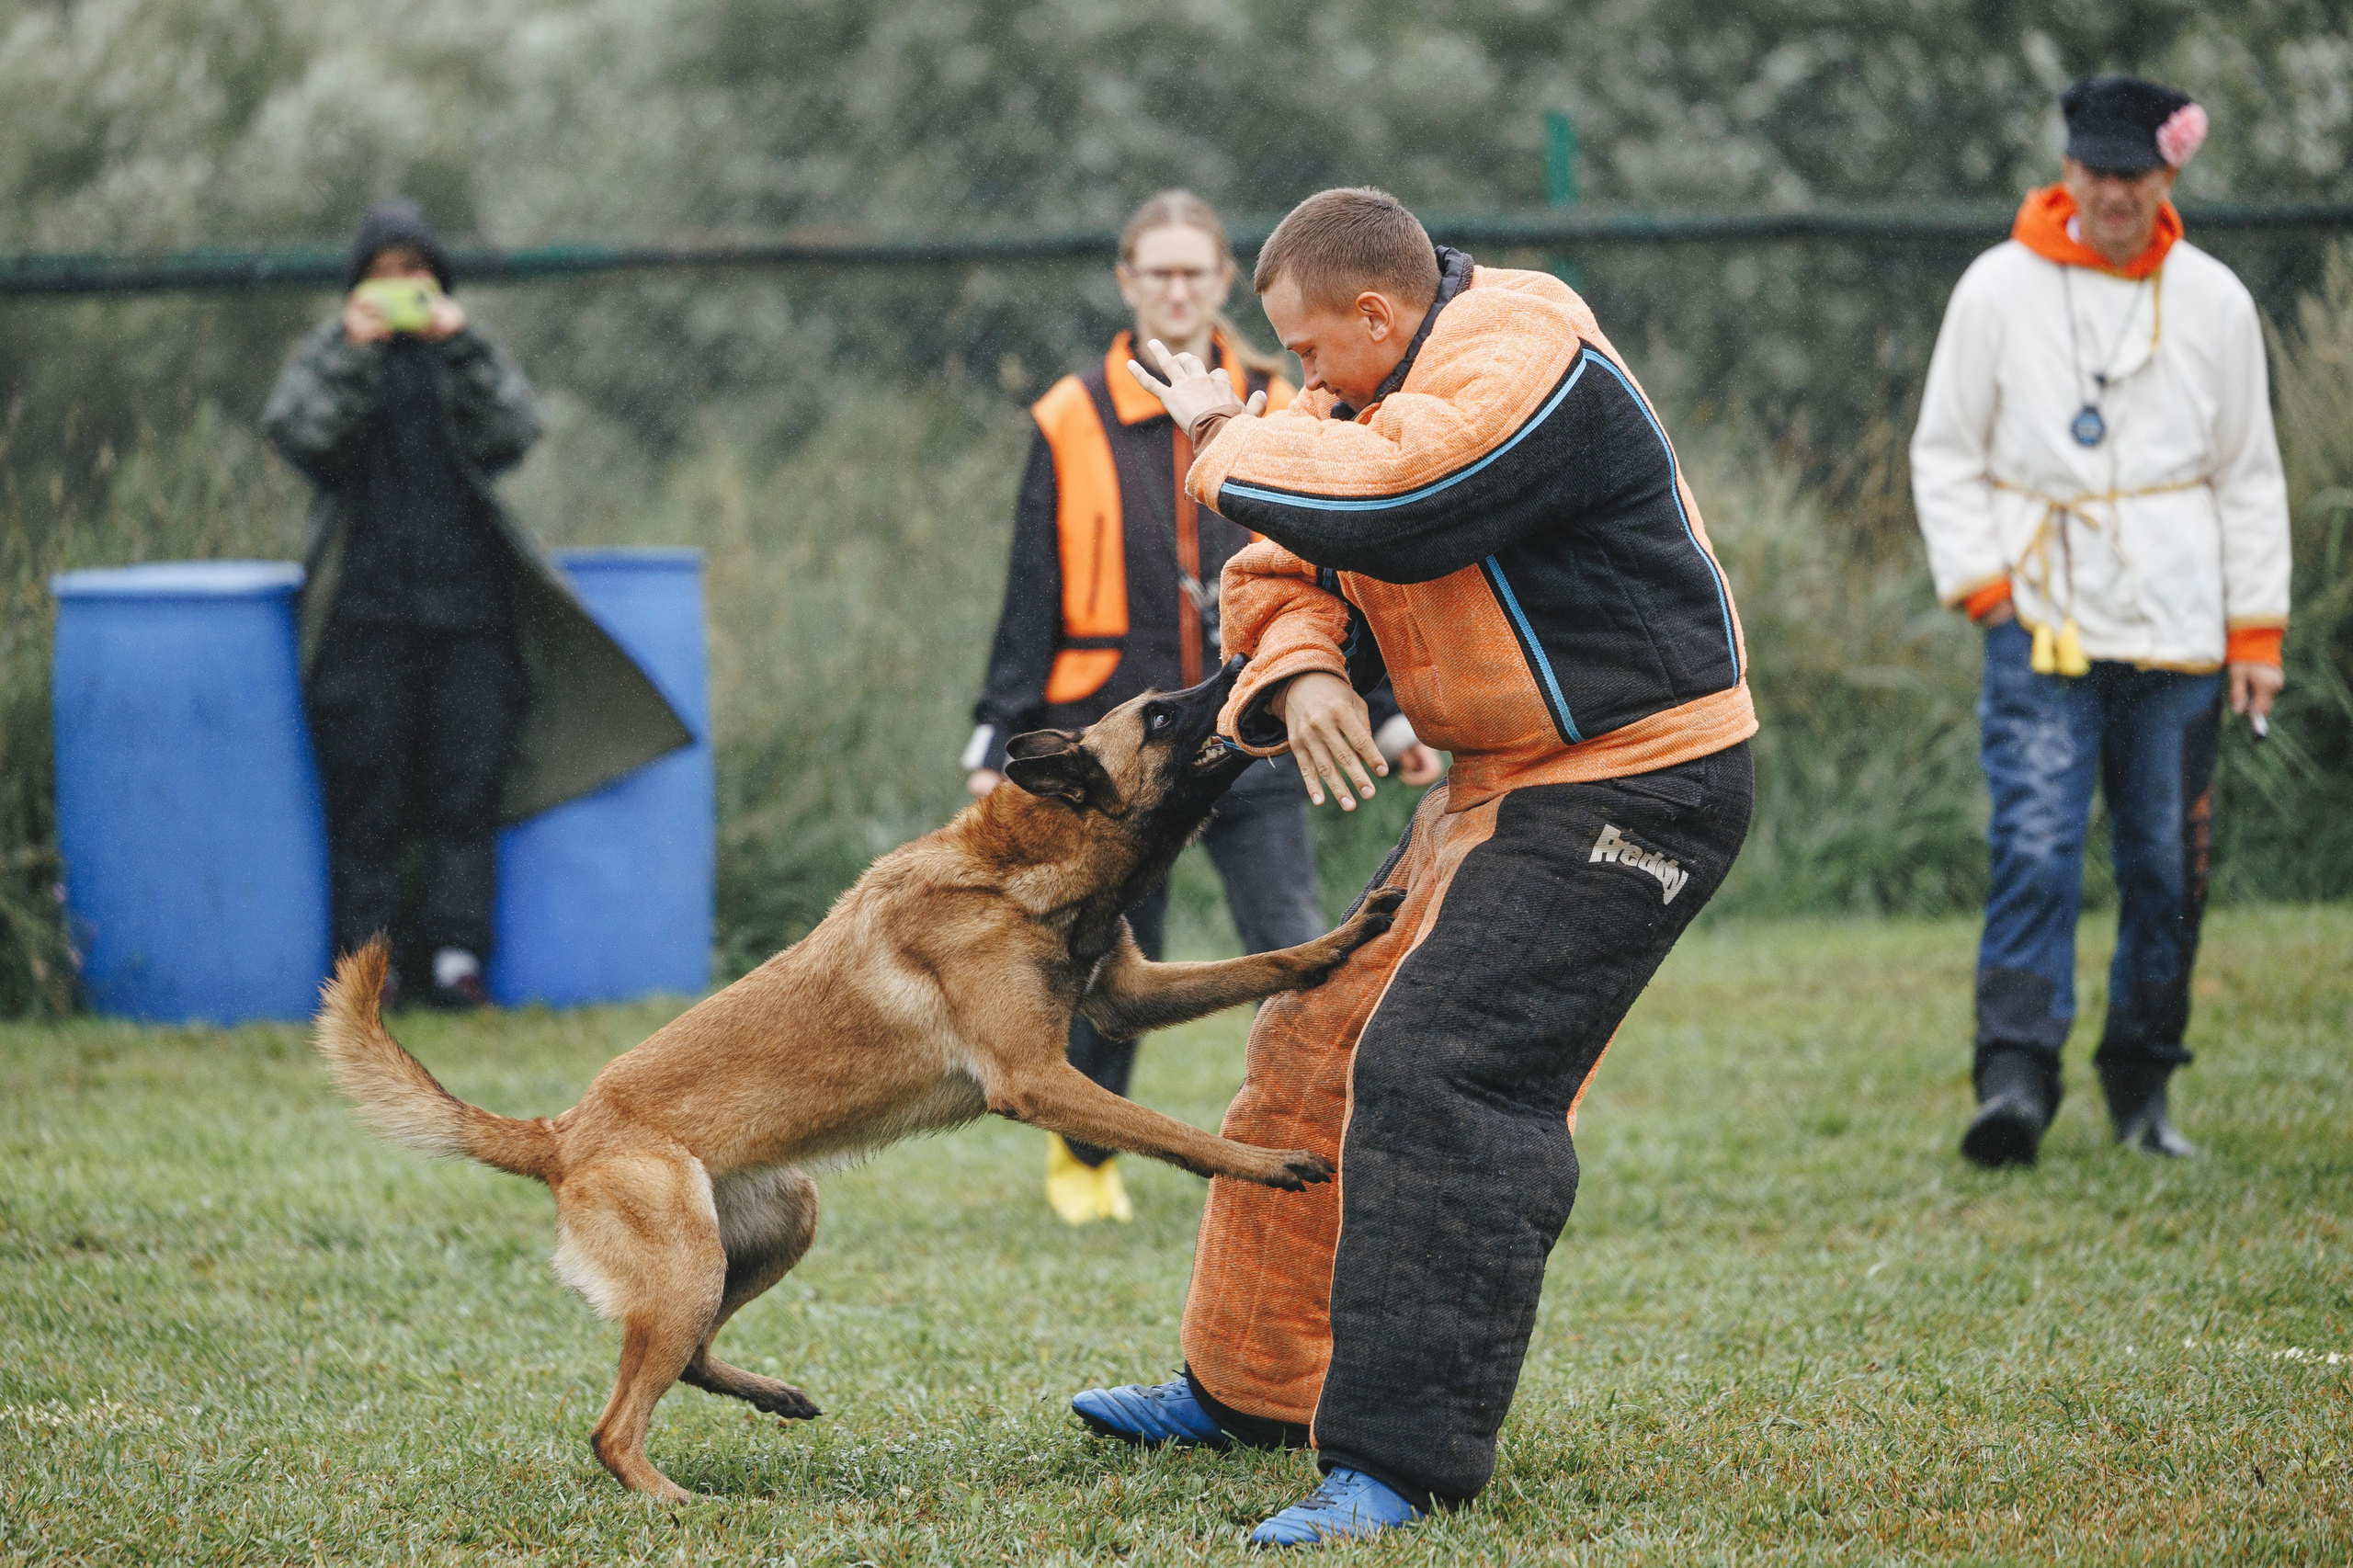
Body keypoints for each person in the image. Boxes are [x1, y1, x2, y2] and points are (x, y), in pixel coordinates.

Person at [1068, 187, 1756, 1545]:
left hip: (1642, 777)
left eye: (1310, 352)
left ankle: (1402, 1461)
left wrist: (1218, 430)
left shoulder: (1523, 352)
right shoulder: (1361, 389)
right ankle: (1253, 1388)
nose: (1300, 382)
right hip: (1500, 783)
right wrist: (1307, 664)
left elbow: (1402, 499)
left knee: (1443, 1065)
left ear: (1378, 314)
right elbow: (1277, 564)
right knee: (1313, 1038)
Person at [962, 190, 1442, 1226]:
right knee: (1100, 963)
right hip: (1120, 754)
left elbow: (1344, 569)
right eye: (1156, 271)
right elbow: (1029, 589)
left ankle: (1323, 1136)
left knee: (1293, 935)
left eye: (1195, 271)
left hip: (1251, 726)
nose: (1176, 288)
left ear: (1222, 280)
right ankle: (1086, 1158)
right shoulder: (1066, 414)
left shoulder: (1290, 391)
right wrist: (993, 728)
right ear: (1128, 282)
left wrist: (1390, 711)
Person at [1910, 79, 2290, 1167]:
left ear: (2166, 178)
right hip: (2040, 620)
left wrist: (2255, 630)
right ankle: (2015, 1078)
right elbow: (1944, 449)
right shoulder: (1996, 287)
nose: (2112, 193)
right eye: (2096, 172)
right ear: (2067, 172)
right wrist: (1984, 584)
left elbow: (2249, 474)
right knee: (2035, 847)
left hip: (2179, 630)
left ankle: (2142, 1082)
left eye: (2134, 175)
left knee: (2168, 865)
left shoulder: (2212, 299)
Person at [264, 201, 689, 1011]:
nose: (398, 288)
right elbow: (303, 437)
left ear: (439, 281)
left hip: (473, 619)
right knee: (368, 806)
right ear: (355, 286)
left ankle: (459, 960)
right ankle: (368, 976)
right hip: (363, 621)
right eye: (382, 274)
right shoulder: (328, 354)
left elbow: (516, 431)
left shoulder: (461, 354)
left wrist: (458, 342)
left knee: (468, 796)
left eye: (413, 272)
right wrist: (357, 356)